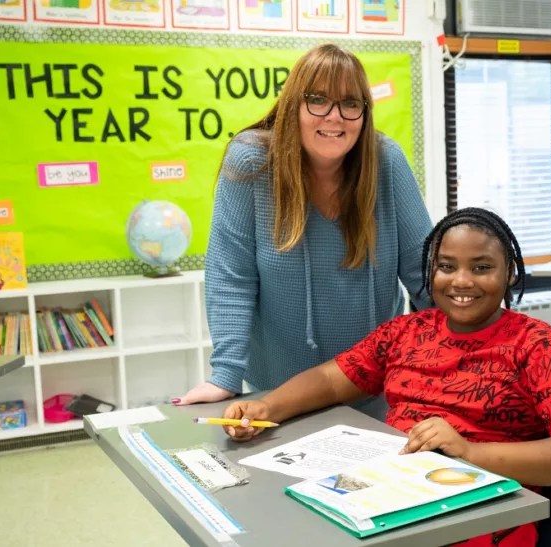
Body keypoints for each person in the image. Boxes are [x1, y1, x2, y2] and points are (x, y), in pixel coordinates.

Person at [221, 207, 551, 547]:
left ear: (509, 274)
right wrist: (266, 406)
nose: (461, 281)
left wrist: (469, 453)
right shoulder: (407, 332)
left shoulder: (538, 346)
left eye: (481, 267)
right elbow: (331, 379)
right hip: (390, 500)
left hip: (482, 517)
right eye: (446, 266)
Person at [173, 44, 432, 407]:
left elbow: (425, 273)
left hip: (373, 387)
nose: (334, 117)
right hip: (277, 393)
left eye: (350, 103)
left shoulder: (385, 162)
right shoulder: (252, 162)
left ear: (364, 113)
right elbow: (231, 277)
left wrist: (456, 361)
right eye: (318, 100)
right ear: (293, 104)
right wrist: (225, 374)